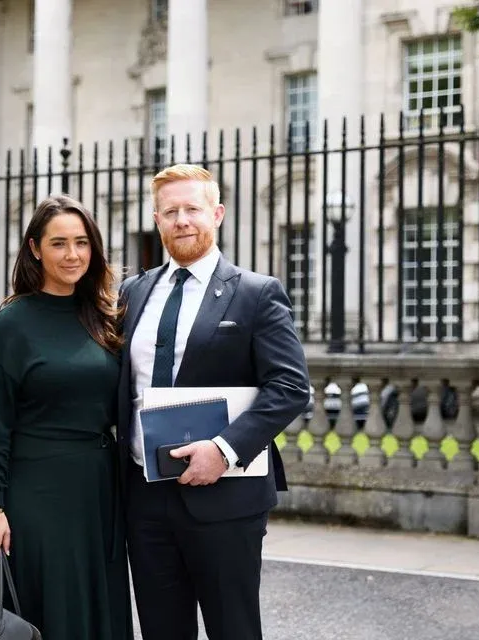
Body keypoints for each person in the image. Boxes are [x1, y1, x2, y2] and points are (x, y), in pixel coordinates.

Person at [117, 164, 310, 640]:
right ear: (156, 219)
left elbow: (289, 387)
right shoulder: (132, 293)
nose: (182, 220)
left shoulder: (256, 293)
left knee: (234, 630)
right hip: (145, 499)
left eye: (192, 209)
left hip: (225, 498)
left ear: (217, 214)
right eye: (170, 211)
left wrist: (222, 450)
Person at [0, 195, 132, 640]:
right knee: (50, 611)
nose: (72, 254)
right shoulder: (10, 324)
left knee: (99, 605)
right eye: (59, 243)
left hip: (100, 490)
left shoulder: (104, 316)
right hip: (37, 494)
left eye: (82, 242)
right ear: (34, 249)